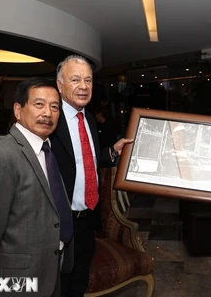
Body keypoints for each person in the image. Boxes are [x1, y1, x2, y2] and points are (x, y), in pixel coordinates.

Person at [0, 77, 73, 296]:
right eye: (39, 104)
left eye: (54, 107)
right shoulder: (0, 157)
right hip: (14, 278)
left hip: (50, 268)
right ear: (18, 110)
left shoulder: (47, 150)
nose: (48, 113)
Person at [50, 55, 133, 297]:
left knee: (78, 281)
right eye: (75, 79)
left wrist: (111, 153)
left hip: (87, 219)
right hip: (59, 221)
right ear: (59, 84)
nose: (83, 86)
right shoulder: (50, 118)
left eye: (88, 80)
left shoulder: (86, 116)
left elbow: (83, 157)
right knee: (56, 285)